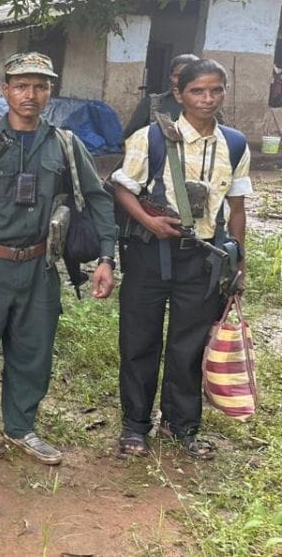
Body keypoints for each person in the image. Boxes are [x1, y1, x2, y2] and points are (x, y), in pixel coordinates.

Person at [0, 52, 117, 466]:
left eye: (41, 86)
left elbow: (98, 198)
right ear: (7, 90)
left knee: (33, 352)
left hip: (38, 267)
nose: (31, 95)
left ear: (50, 91)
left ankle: (20, 427)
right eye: (22, 86)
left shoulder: (66, 145)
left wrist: (106, 257)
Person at [110, 58, 250, 460]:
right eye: (197, 91)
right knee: (139, 342)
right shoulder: (151, 138)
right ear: (179, 94)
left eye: (216, 90)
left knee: (189, 346)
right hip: (149, 255)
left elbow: (236, 209)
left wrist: (238, 265)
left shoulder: (234, 144)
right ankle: (135, 426)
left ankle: (181, 424)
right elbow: (122, 188)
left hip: (203, 260)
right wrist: (149, 222)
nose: (207, 99)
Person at [121, 53, 199, 140]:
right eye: (177, 76)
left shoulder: (207, 107)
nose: (182, 81)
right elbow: (128, 139)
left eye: (189, 76)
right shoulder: (152, 104)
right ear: (170, 77)